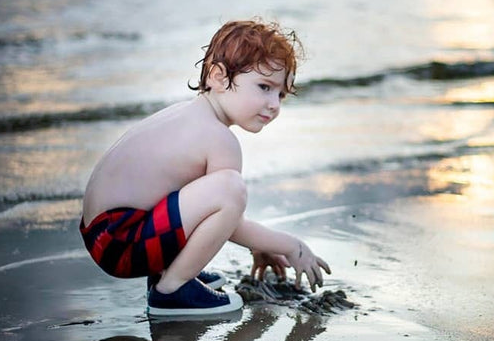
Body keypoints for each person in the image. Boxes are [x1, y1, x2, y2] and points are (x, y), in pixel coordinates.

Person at [80, 20, 331, 317]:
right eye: (264, 87)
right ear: (218, 77)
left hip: (107, 234)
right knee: (231, 188)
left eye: (281, 94)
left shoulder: (188, 115)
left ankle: (170, 273)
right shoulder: (219, 139)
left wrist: (258, 247)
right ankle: (171, 290)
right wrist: (290, 245)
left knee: (217, 191)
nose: (274, 104)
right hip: (122, 242)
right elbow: (229, 214)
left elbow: (207, 209)